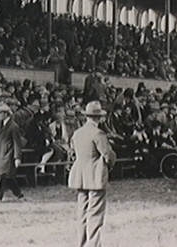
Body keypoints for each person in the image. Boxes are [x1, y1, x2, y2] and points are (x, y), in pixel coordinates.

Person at [68, 100, 116, 247]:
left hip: (80, 176)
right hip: (95, 176)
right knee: (95, 214)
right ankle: (93, 244)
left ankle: (81, 243)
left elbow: (72, 153)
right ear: (99, 117)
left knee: (82, 213)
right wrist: (110, 164)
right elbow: (108, 155)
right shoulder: (98, 133)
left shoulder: (77, 133)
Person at [0, 102, 25, 203]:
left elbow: (17, 143)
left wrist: (17, 157)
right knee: (8, 176)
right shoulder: (0, 124)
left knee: (3, 175)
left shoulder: (13, 126)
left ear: (6, 114)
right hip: (0, 153)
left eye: (0, 113)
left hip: (8, 153)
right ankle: (19, 194)